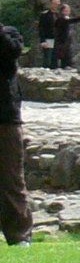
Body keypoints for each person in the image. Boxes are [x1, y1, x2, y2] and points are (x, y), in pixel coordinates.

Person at [0, 22, 28, 243]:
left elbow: (12, 52)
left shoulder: (9, 34)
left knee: (11, 179)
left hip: (5, 119)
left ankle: (19, 235)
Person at [35, 0, 79, 70]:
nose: (57, 5)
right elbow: (41, 28)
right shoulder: (45, 15)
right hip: (49, 39)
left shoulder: (60, 15)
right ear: (51, 3)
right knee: (48, 60)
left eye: (58, 3)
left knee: (60, 58)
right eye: (55, 3)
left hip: (59, 41)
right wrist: (42, 41)